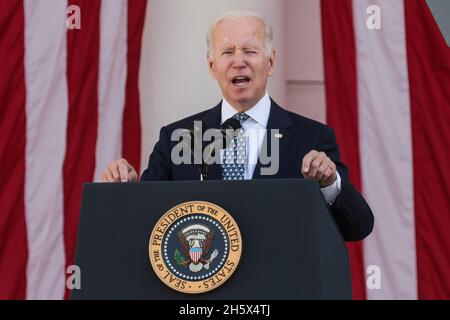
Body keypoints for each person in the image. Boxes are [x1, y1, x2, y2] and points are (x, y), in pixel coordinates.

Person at [101, 10, 373, 241]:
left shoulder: (312, 137)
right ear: (212, 65)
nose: (238, 61)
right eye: (227, 52)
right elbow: (147, 226)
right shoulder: (178, 138)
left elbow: (357, 226)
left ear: (271, 61)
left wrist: (329, 183)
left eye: (250, 51)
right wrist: (130, 192)